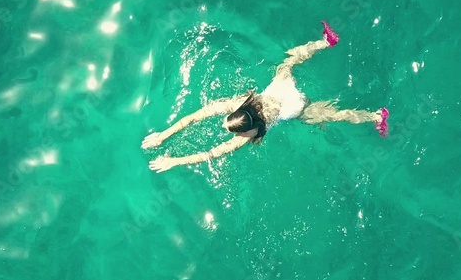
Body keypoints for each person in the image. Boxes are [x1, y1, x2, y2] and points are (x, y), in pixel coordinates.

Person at [142, 21, 389, 172]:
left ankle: (376, 117)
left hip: (294, 109)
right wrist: (163, 137)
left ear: (246, 127)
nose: (225, 125)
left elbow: (210, 153)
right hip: (282, 89)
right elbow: (196, 117)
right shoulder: (243, 104)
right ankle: (326, 42)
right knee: (288, 64)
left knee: (333, 115)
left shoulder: (248, 135)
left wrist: (174, 160)